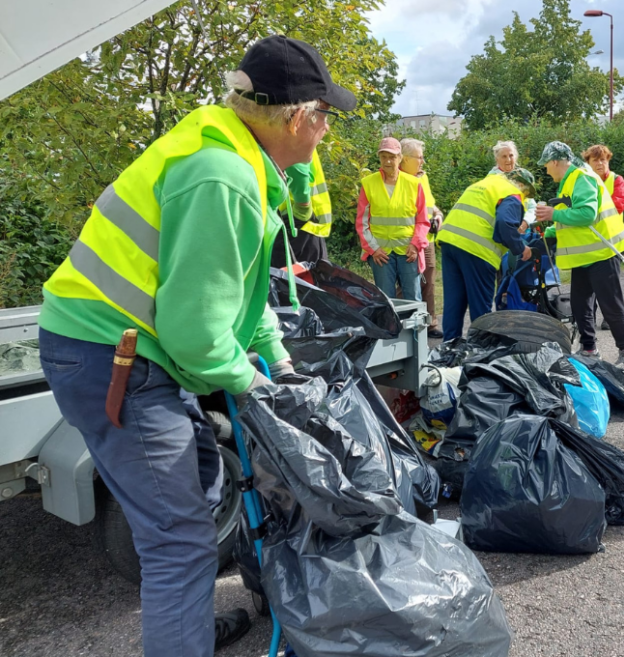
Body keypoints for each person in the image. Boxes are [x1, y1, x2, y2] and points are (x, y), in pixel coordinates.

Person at [35, 35, 356, 655]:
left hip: (121, 348)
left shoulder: (230, 147)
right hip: (113, 355)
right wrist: (252, 383)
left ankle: (183, 633)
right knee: (179, 538)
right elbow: (195, 335)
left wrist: (277, 356)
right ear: (297, 117)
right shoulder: (224, 176)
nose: (323, 134)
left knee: (203, 487)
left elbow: (237, 288)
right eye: (324, 118)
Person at [535, 141, 624, 372]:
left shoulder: (581, 177)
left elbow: (587, 214)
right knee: (581, 304)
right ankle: (588, 349)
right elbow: (568, 220)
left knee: (611, 305)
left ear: (554, 161)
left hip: (602, 251)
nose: (546, 169)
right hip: (585, 255)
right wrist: (547, 227)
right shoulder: (569, 180)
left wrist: (553, 213)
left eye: (546, 165)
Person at [436, 168, 536, 341]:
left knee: (454, 302)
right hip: (477, 249)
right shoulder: (512, 193)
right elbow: (504, 224)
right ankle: (480, 351)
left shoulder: (484, 184)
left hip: (449, 242)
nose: (525, 197)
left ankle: (449, 351)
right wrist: (521, 248)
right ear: (522, 185)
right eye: (526, 193)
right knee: (480, 306)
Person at [355, 137, 429, 300]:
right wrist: (373, 249)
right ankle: (390, 327)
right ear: (379, 158)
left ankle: (413, 327)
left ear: (400, 158)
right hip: (381, 254)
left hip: (408, 252)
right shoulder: (368, 184)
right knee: (386, 301)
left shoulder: (414, 184)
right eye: (384, 157)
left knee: (413, 301)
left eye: (392, 156)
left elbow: (422, 221)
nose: (388, 161)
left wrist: (416, 245)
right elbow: (362, 222)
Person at [399, 137, 445, 338]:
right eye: (419, 158)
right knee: (407, 284)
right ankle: (402, 322)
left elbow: (430, 203)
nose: (422, 162)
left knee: (429, 280)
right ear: (404, 159)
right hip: (406, 240)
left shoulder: (422, 177)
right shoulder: (397, 179)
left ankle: (430, 323)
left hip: (427, 239)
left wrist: (437, 214)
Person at [582, 144, 624, 331]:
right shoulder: (583, 181)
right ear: (589, 163)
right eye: (596, 160)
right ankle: (588, 317)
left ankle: (611, 318)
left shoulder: (617, 180)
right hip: (590, 240)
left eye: (603, 159)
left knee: (610, 284)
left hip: (613, 240)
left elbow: (619, 203)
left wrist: (589, 211)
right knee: (589, 283)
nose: (600, 163)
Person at [270, 146, 333, 267]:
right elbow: (296, 164)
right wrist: (303, 206)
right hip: (298, 222)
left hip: (297, 221)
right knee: (304, 281)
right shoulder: (298, 132)